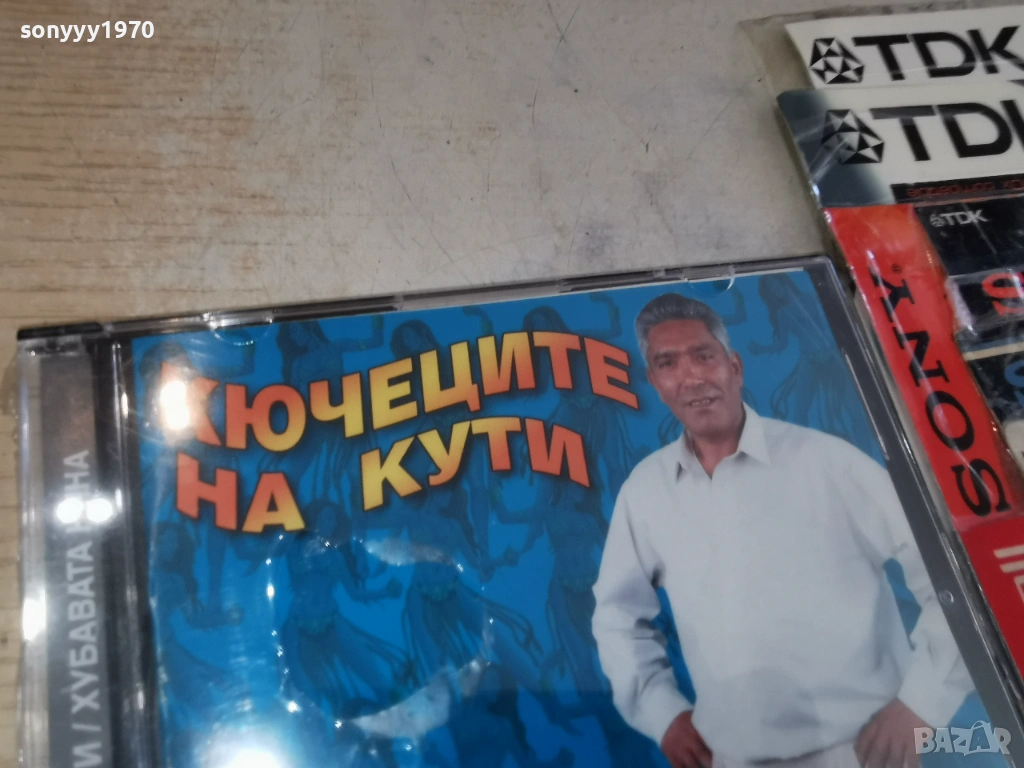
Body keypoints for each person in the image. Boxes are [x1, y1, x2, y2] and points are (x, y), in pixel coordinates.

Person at [591, 293, 974, 768]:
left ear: (734, 366)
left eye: (703, 356)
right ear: (654, 381)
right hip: (731, 758)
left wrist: (923, 703)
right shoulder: (646, 491)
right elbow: (617, 617)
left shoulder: (830, 464)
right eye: (667, 363)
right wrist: (662, 713)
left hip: (863, 753)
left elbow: (953, 573)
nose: (691, 378)